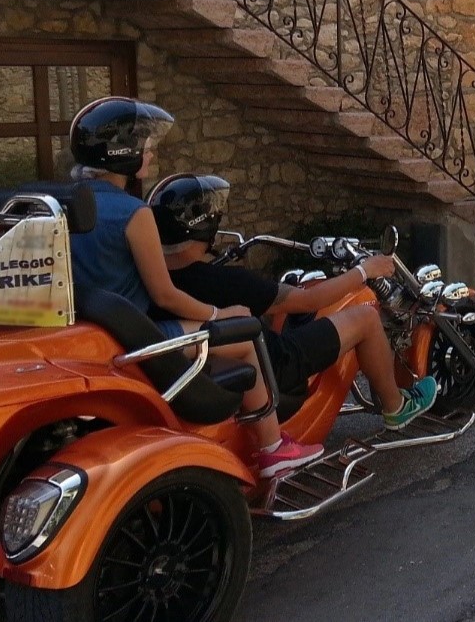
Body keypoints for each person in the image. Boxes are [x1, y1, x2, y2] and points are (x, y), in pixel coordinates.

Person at [67, 97, 323, 479]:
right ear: (124, 154)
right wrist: (223, 314)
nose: (150, 153)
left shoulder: (66, 203)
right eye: (145, 145)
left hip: (90, 332)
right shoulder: (133, 213)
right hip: (135, 338)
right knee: (246, 335)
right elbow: (164, 294)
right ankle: (272, 447)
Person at [146, 173, 439, 431]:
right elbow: (309, 299)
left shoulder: (150, 279)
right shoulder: (224, 281)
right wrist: (364, 271)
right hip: (277, 364)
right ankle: (396, 406)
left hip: (208, 370)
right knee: (366, 317)